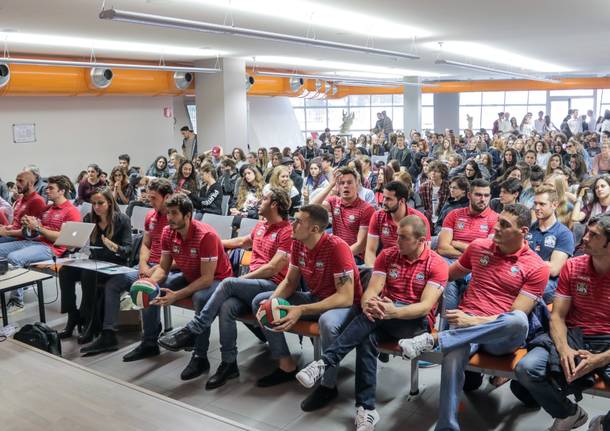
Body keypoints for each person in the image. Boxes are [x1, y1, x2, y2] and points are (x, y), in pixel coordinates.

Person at [400, 204, 549, 431]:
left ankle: (438, 339)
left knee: (518, 320)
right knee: (452, 357)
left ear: (524, 232)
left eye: (505, 225)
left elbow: (516, 314)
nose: (496, 227)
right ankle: (447, 426)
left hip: (500, 336)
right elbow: (446, 275)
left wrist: (473, 322)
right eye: (498, 221)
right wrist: (409, 290)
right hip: (466, 325)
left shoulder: (536, 266)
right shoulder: (479, 247)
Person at [296, 216, 448, 430]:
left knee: (370, 319)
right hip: (382, 314)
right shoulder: (387, 255)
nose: (397, 242)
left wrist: (393, 310)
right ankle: (366, 409)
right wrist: (369, 304)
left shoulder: (438, 264)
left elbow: (424, 307)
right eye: (396, 236)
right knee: (367, 335)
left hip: (413, 321)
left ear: (421, 240)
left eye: (403, 238)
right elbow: (371, 291)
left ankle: (326, 362)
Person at [157, 188, 293, 389]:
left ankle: (193, 330)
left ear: (274, 204)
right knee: (226, 307)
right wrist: (211, 241)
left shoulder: (287, 231)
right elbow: (241, 242)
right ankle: (229, 363)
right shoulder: (261, 226)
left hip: (272, 285)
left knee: (228, 283)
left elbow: (273, 267)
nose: (258, 201)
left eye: (264, 199)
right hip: (251, 284)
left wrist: (242, 279)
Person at [251, 204, 363, 412]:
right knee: (261, 300)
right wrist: (272, 302)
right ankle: (285, 365)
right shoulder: (298, 244)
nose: (292, 224)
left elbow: (346, 297)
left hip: (345, 306)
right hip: (316, 296)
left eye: (298, 221)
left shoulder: (337, 248)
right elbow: (290, 281)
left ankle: (328, 386)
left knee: (327, 323)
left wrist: (302, 309)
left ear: (315, 229)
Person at [515, 214, 610, 431]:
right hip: (574, 334)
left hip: (607, 340)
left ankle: (604, 423)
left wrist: (600, 359)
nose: (584, 238)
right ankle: (569, 413)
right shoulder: (574, 266)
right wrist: (564, 348)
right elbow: (557, 316)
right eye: (587, 231)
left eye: (594, 235)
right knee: (527, 369)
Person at [129, 193, 233, 381]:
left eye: (174, 213)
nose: (169, 218)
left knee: (200, 298)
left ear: (188, 215)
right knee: (152, 289)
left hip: (217, 279)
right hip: (190, 274)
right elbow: (163, 268)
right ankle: (150, 342)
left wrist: (176, 295)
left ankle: (200, 357)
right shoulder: (168, 232)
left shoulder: (206, 236)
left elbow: (207, 279)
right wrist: (150, 282)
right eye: (168, 213)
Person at [94, 178, 173, 356]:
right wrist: (143, 264)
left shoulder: (175, 217)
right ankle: (109, 334)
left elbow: (179, 255)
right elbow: (146, 244)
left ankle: (150, 342)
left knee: (146, 288)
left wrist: (153, 269)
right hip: (147, 265)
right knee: (114, 284)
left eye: (154, 198)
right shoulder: (151, 216)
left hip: (168, 267)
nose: (149, 202)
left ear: (167, 197)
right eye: (149, 197)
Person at [59, 188, 132, 349]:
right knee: (65, 271)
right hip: (95, 263)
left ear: (110, 203)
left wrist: (114, 247)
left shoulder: (122, 220)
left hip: (115, 265)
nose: (97, 207)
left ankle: (90, 322)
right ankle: (73, 315)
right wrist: (71, 246)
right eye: (94, 204)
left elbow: (128, 251)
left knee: (88, 273)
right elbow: (79, 245)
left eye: (100, 203)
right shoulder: (89, 218)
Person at [0, 176, 81, 313]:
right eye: (47, 187)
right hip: (34, 242)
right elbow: (34, 233)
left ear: (62, 191)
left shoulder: (71, 211)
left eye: (51, 188)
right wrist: (28, 225)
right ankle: (8, 288)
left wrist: (38, 228)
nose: (47, 190)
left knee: (14, 257)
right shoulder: (48, 208)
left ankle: (17, 301)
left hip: (51, 249)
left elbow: (64, 238)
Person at [311, 167, 375, 264]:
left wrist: (337, 255)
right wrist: (331, 185)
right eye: (342, 183)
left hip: (355, 257)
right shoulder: (334, 201)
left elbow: (360, 245)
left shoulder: (366, 209)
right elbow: (311, 207)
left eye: (349, 183)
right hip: (336, 252)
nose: (345, 186)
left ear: (357, 185)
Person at [364, 181, 430, 267]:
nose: (383, 202)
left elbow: (425, 252)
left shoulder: (420, 219)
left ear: (401, 201)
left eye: (388, 199)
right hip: (385, 264)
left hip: (410, 265)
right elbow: (370, 250)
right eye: (383, 198)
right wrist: (374, 270)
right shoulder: (378, 216)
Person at [528, 185, 574, 304]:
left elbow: (553, 269)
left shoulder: (564, 233)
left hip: (550, 282)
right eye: (535, 203)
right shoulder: (528, 228)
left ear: (554, 205)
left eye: (542, 204)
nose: (537, 208)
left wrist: (525, 262)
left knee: (525, 290)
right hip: (526, 275)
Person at [0, 170, 47, 244]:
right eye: (17, 181)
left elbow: (32, 232)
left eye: (21, 181)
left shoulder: (37, 201)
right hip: (12, 235)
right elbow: (15, 224)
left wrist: (6, 232)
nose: (17, 184)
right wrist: (6, 228)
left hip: (21, 239)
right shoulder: (20, 200)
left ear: (31, 183)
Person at [419, 161, 450, 226]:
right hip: (427, 220)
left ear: (442, 173)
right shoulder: (423, 187)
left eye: (436, 171)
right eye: (431, 171)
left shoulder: (448, 187)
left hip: (443, 219)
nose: (433, 173)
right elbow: (421, 206)